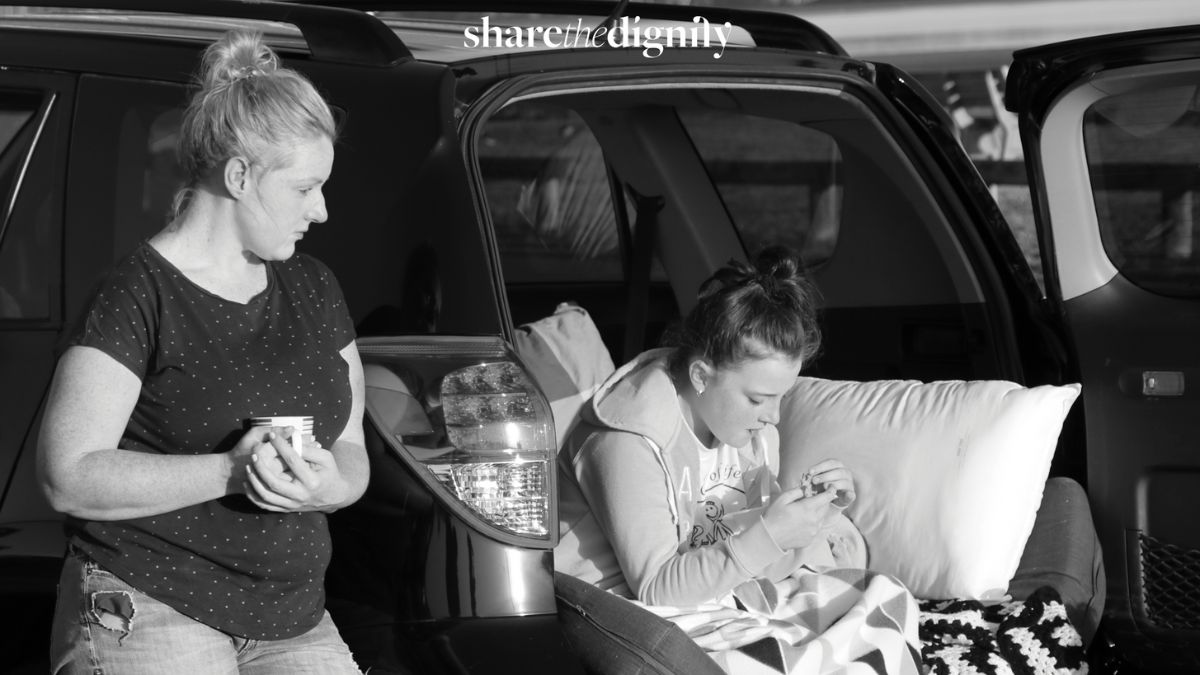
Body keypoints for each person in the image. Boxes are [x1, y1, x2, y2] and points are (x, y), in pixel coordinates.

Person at [38, 29, 367, 674]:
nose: (323, 210)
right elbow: (67, 475)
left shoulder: (314, 286)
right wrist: (229, 472)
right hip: (150, 599)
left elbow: (351, 451)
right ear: (240, 176)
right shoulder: (138, 293)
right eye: (305, 189)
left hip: (293, 615)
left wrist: (329, 484)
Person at [555, 246, 921, 673]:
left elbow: (746, 555)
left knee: (887, 597)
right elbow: (657, 587)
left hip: (721, 596)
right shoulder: (626, 439)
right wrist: (771, 535)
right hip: (628, 617)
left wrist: (812, 518)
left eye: (782, 397)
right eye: (759, 399)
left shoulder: (749, 431)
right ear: (701, 377)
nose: (774, 416)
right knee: (784, 654)